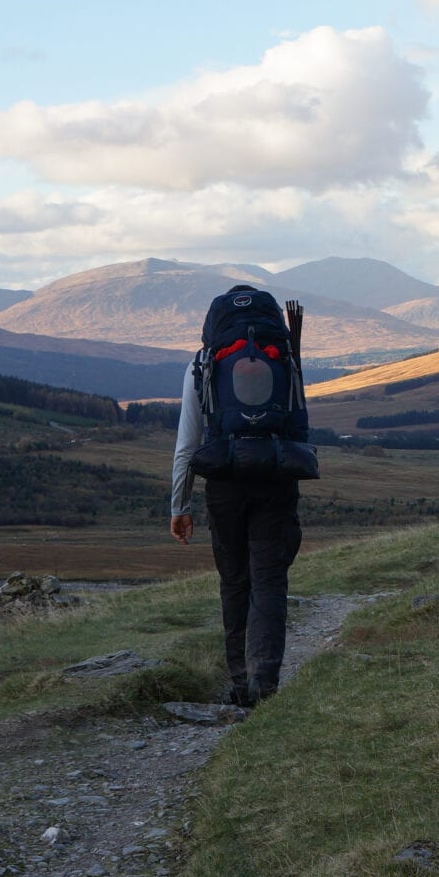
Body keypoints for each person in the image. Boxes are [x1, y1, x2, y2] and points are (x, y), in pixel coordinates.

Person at [168, 286, 307, 708]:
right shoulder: (284, 358)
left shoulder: (203, 363)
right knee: (269, 580)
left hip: (224, 484)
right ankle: (265, 684)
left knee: (234, 582)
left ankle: (240, 682)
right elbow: (299, 424)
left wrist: (180, 505)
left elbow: (186, 444)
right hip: (276, 479)